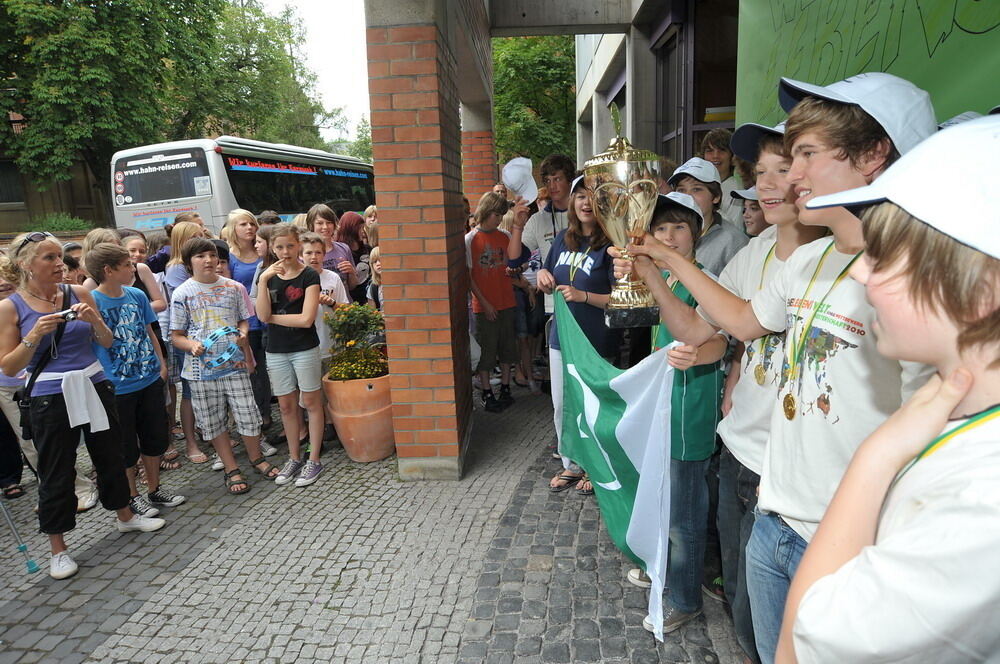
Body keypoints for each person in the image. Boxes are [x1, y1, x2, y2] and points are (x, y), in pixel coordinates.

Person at [619, 72, 936, 663]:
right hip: (774, 515)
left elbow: (932, 437)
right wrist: (661, 259)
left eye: (806, 155)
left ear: (873, 155)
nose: (790, 176)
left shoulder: (921, 275)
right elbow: (738, 323)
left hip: (849, 542)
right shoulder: (811, 258)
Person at [777, 115, 1000, 663]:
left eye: (886, 255)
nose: (860, 273)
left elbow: (797, 650)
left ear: (981, 292)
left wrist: (875, 457)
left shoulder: (980, 506)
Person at [0, 232, 165, 580]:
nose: (60, 264)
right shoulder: (11, 306)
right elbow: (10, 367)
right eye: (49, 258)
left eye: (59, 257)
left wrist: (96, 321)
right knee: (57, 467)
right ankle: (58, 549)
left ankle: (125, 516)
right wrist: (34, 336)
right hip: (49, 393)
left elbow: (105, 340)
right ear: (25, 265)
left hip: (93, 381)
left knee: (111, 454)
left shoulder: (76, 292)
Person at [631, 192, 729, 635]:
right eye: (661, 229)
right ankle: (664, 570)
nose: (669, 237)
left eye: (679, 228)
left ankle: (686, 599)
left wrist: (704, 353)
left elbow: (720, 340)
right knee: (666, 497)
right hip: (664, 408)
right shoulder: (664, 280)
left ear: (698, 232)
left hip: (690, 411)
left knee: (686, 512)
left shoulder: (703, 281)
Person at [170, 238, 280, 495]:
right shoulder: (182, 293)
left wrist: (242, 337)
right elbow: (176, 335)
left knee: (248, 415)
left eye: (211, 256)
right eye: (200, 256)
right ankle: (231, 468)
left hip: (235, 365)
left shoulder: (233, 287)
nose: (208, 261)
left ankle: (256, 458)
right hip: (201, 372)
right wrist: (191, 346)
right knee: (213, 421)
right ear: (189, 263)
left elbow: (243, 321)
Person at [85, 243, 185, 517]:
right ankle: (132, 495)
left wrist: (161, 364)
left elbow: (149, 331)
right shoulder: (91, 301)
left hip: (148, 378)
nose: (134, 268)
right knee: (126, 445)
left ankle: (154, 488)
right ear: (109, 270)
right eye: (127, 264)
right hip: (118, 386)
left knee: (154, 439)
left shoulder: (136, 296)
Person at [536, 176, 620, 493]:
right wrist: (543, 276)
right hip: (562, 338)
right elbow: (547, 273)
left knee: (595, 406)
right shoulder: (562, 239)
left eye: (593, 197)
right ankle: (572, 464)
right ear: (572, 203)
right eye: (580, 196)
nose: (586, 202)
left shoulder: (612, 244)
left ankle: (596, 467)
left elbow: (622, 298)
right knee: (563, 404)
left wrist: (584, 296)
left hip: (596, 340)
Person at [255, 224, 326, 487]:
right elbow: (260, 315)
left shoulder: (309, 275)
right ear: (272, 249)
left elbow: (307, 319)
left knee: (310, 402)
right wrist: (263, 281)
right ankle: (294, 457)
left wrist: (274, 317)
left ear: (298, 246)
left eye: (290, 246)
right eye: (280, 247)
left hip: (304, 347)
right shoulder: (266, 275)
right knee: (286, 405)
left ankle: (314, 458)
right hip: (276, 349)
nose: (285, 252)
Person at [466, 193, 521, 413]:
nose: (499, 219)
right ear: (486, 212)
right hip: (484, 306)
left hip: (507, 301)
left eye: (501, 215)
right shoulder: (470, 239)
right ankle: (487, 392)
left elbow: (512, 265)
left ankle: (506, 387)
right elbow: (469, 278)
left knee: (508, 348)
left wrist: (520, 277)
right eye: (497, 214)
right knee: (487, 352)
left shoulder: (505, 235)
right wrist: (485, 303)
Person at [507, 154, 575, 317]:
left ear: (569, 181)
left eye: (557, 179)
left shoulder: (585, 213)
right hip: (555, 302)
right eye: (547, 181)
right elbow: (514, 259)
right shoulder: (538, 219)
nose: (552, 186)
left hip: (585, 297)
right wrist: (517, 226)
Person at [224, 209, 273, 432]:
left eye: (252, 223)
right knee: (253, 370)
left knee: (266, 367)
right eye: (243, 224)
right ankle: (258, 413)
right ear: (233, 229)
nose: (250, 228)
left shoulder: (264, 250)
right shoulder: (230, 257)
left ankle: (267, 411)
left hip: (269, 318)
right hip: (247, 322)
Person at [667, 158, 749, 275]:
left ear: (716, 196)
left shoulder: (735, 242)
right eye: (681, 190)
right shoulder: (665, 235)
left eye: (696, 189)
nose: (687, 196)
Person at [306, 203, 357, 295]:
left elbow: (352, 286)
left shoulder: (344, 248)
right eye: (320, 223)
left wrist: (351, 272)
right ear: (311, 225)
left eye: (329, 222)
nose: (325, 227)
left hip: (344, 306)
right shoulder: (304, 254)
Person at [701, 128, 743, 229]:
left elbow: (735, 229)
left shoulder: (736, 190)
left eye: (722, 150)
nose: (715, 156)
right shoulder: (699, 185)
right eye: (709, 151)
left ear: (732, 157)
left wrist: (709, 208)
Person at [334, 211, 371, 304]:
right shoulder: (342, 251)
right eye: (360, 228)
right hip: (351, 300)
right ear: (350, 229)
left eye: (363, 227)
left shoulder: (367, 249)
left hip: (369, 297)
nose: (363, 231)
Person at [366, 245, 383, 311]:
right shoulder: (373, 288)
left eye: (380, 260)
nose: (378, 264)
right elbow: (372, 316)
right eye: (375, 261)